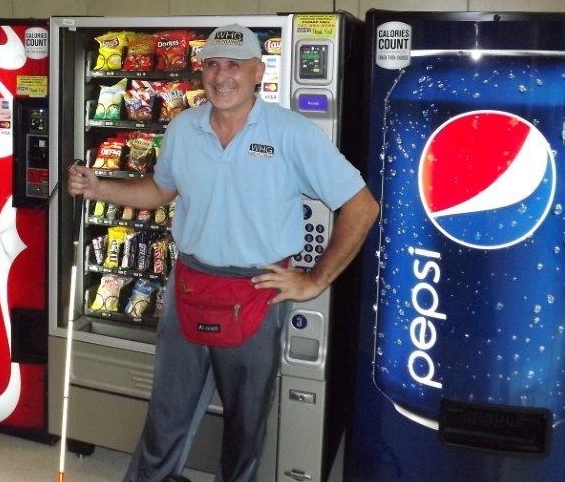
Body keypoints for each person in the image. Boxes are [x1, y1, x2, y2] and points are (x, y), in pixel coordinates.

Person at [67, 23, 378, 482]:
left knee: (244, 427)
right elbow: (160, 189)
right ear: (200, 72)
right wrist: (101, 188)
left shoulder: (291, 133)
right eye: (212, 64)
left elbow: (361, 206)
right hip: (189, 284)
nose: (222, 75)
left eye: (235, 64)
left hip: (255, 292)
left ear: (258, 72)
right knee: (166, 415)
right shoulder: (182, 127)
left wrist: (314, 280)